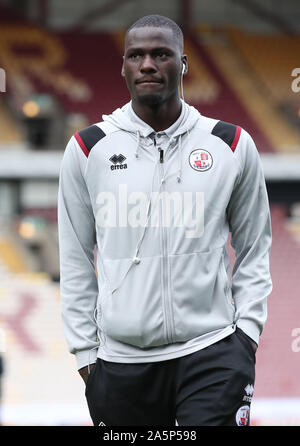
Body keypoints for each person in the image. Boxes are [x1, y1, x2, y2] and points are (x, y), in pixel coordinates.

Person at [57, 14, 272, 426]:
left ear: (184, 64)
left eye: (161, 54)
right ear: (123, 66)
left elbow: (254, 247)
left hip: (212, 352)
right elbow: (75, 259)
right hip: (120, 364)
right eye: (136, 55)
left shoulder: (230, 144)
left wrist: (245, 335)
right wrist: (86, 356)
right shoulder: (88, 149)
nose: (148, 65)